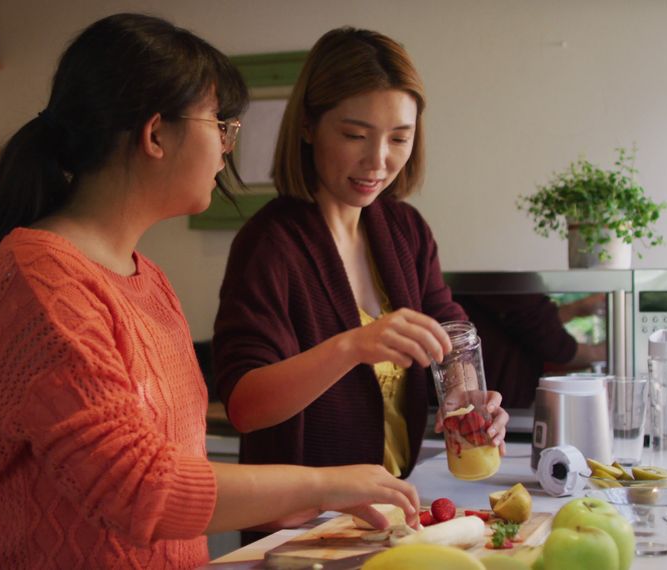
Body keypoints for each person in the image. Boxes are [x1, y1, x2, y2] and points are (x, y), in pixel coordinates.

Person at [0, 14, 420, 570]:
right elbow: (143, 489)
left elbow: (180, 467)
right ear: (155, 135)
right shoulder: (43, 281)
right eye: (219, 124)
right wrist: (320, 485)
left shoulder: (147, 279)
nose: (226, 147)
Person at [212, 27, 510, 495]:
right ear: (308, 126)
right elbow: (245, 405)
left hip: (390, 501)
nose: (378, 161)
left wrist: (465, 391)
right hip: (303, 526)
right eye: (355, 135)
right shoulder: (270, 244)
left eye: (399, 138)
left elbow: (450, 328)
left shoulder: (405, 229)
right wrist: (352, 347)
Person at [456, 293, 607, 409]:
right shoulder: (506, 268)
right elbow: (545, 337)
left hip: (496, 404)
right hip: (493, 404)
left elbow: (530, 322)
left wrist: (576, 308)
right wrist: (602, 352)